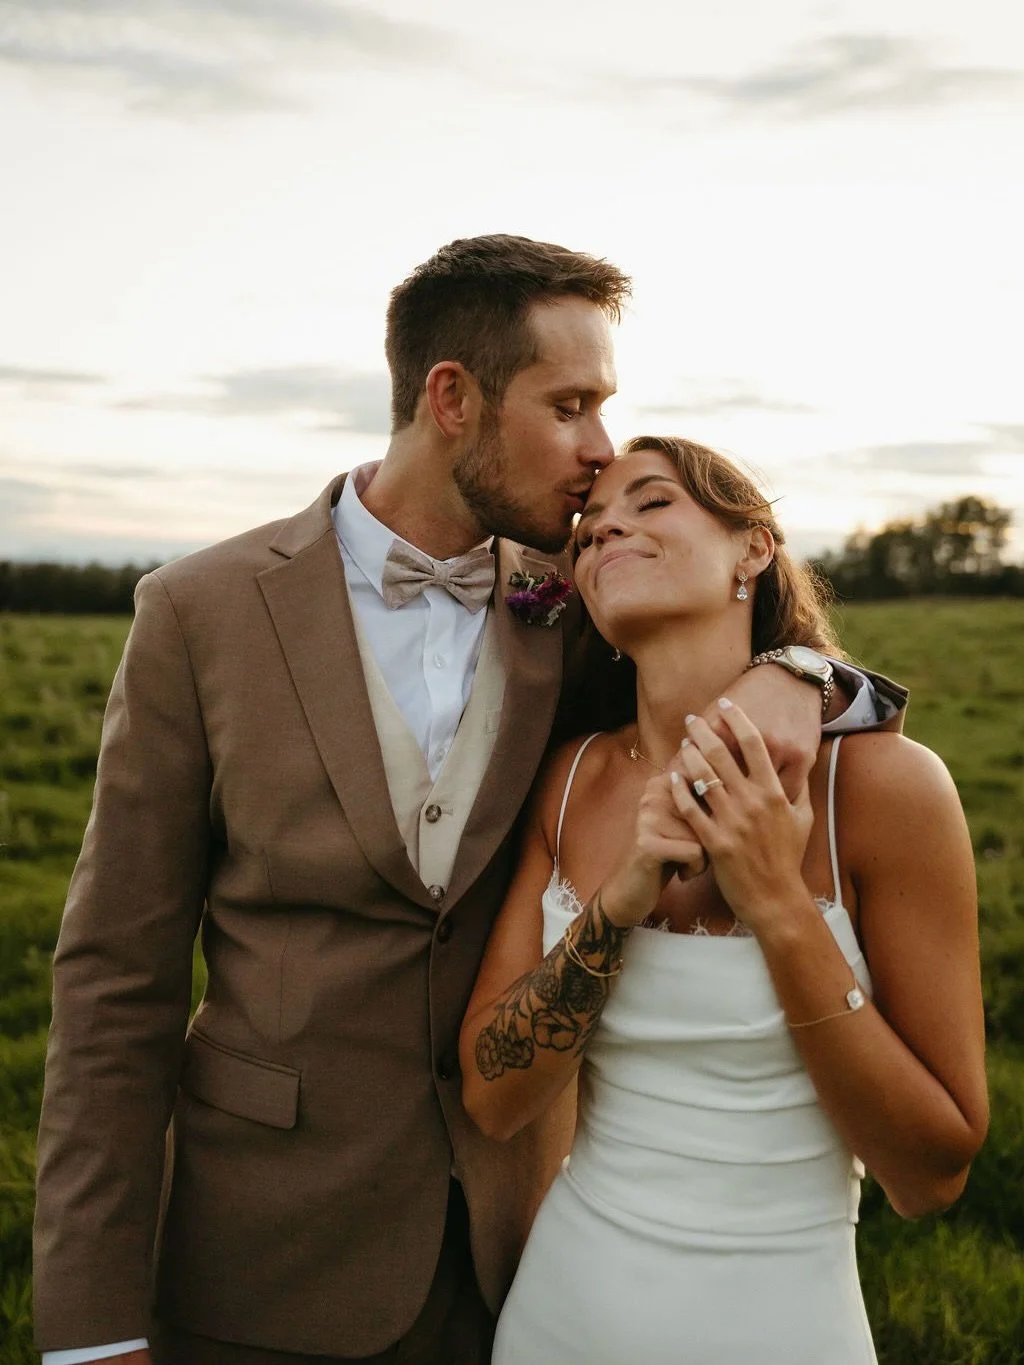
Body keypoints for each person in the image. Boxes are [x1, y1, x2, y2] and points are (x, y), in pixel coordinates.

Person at [34, 239, 904, 1365]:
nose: (600, 449)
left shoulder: (580, 602)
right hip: (260, 1261)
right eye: (570, 406)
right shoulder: (198, 613)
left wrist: (801, 673)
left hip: (520, 1253)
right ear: (452, 399)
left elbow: (735, 648)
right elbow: (114, 982)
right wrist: (89, 1331)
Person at [461, 436, 988, 1365]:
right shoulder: (571, 781)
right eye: (588, 530)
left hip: (782, 1328)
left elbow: (931, 1173)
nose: (605, 528)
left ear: (752, 549)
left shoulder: (884, 790)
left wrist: (777, 902)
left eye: (653, 501)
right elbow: (493, 1097)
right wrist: (616, 905)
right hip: (559, 1319)